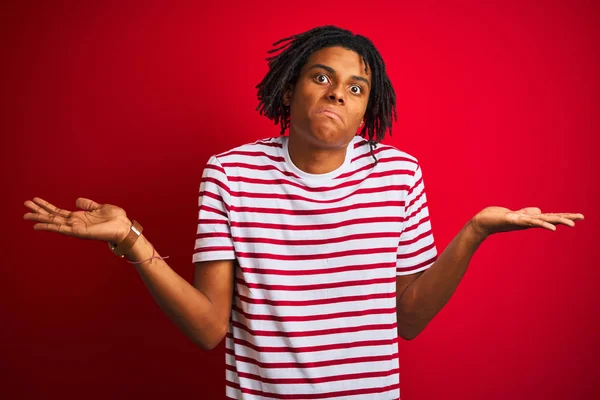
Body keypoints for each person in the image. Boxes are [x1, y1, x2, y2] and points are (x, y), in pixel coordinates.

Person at [23, 26, 583, 399]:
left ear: (368, 110)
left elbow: (407, 320)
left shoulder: (398, 173)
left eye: (356, 88)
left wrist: (475, 232)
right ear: (290, 90)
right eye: (323, 77)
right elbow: (209, 329)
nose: (338, 94)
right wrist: (131, 241)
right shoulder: (231, 173)